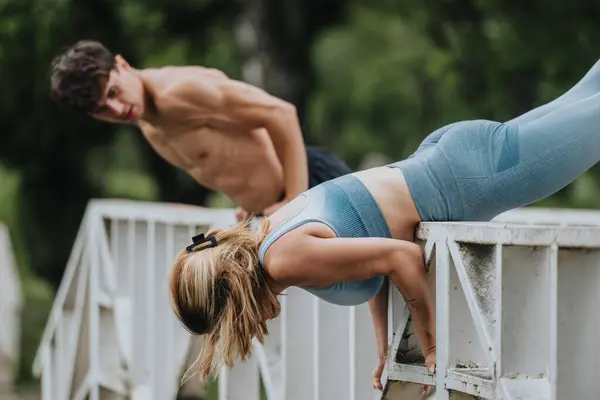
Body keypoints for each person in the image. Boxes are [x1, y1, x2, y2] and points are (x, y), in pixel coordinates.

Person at [168, 57, 600, 392]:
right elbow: (371, 251)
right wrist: (386, 346)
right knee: (591, 89)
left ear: (234, 302)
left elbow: (400, 256)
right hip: (450, 159)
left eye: (233, 326)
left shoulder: (284, 261)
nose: (252, 332)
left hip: (470, 181)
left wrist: (429, 344)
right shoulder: (271, 235)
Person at [48, 40, 352, 220]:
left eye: (113, 93)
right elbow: (230, 153)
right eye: (102, 109)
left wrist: (293, 204)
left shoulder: (179, 93)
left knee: (387, 292)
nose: (116, 110)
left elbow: (281, 113)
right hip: (279, 209)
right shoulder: (145, 119)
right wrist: (252, 205)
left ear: (123, 65)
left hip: (312, 185)